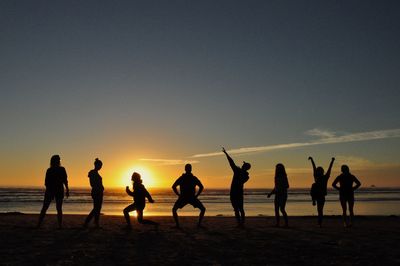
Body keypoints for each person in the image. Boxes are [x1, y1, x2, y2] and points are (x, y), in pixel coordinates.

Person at [37, 155, 69, 229]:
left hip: (56, 190)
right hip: (52, 190)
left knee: (57, 208)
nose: (58, 161)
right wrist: (66, 190)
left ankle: (59, 225)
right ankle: (39, 224)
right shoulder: (50, 170)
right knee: (47, 207)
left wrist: (67, 189)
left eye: (58, 160)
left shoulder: (59, 169)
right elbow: (46, 182)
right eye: (57, 160)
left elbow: (65, 180)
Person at [222, 147, 250, 227]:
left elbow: (231, 162)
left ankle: (241, 223)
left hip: (236, 193)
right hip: (236, 193)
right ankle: (240, 223)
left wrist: (226, 153)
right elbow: (231, 163)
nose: (242, 165)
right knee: (238, 209)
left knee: (239, 209)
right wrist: (226, 153)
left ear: (245, 167)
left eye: (243, 165)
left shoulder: (240, 172)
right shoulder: (244, 174)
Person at [172, 164, 206, 228]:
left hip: (187, 197)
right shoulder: (191, 178)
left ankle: (177, 225)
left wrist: (178, 195)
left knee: (174, 209)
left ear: (185, 169)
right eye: (189, 168)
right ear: (190, 169)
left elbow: (173, 187)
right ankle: (198, 224)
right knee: (203, 209)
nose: (188, 169)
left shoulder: (186, 178)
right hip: (189, 197)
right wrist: (197, 195)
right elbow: (201, 187)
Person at [308, 156, 335, 227]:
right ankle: (313, 200)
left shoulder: (325, 177)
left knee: (319, 210)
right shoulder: (316, 176)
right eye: (318, 171)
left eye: (320, 171)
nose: (318, 172)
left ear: (322, 172)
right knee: (313, 185)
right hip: (315, 194)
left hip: (321, 195)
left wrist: (332, 161)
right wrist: (312, 160)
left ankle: (319, 223)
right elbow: (314, 167)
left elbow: (329, 169)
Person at [84, 158, 104, 228]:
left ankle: (95, 223)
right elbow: (92, 184)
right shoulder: (92, 172)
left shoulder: (95, 173)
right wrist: (99, 187)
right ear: (96, 165)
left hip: (99, 192)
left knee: (97, 208)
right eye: (100, 165)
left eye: (101, 166)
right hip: (96, 192)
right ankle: (88, 222)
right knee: (96, 208)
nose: (101, 167)